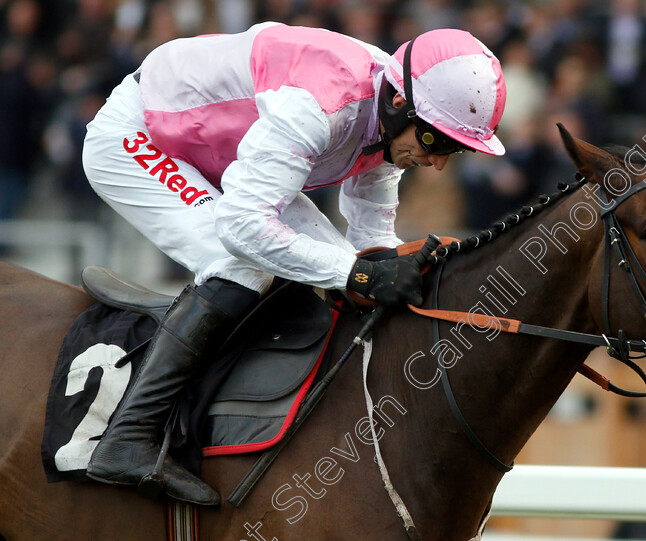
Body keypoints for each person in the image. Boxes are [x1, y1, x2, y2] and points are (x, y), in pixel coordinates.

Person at [81, 22, 507, 506]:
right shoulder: (324, 105)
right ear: (398, 104)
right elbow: (243, 227)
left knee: (337, 266)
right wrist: (360, 275)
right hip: (142, 135)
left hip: (225, 150)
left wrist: (395, 273)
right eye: (436, 143)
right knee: (245, 263)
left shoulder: (393, 116)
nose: (438, 164)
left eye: (452, 149)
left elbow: (369, 244)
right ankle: (127, 438)